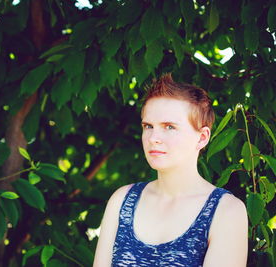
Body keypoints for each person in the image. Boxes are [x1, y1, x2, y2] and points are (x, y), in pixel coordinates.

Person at [93, 74, 248, 266]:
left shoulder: (226, 211)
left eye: (169, 127)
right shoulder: (122, 201)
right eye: (148, 126)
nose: (153, 138)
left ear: (202, 137)